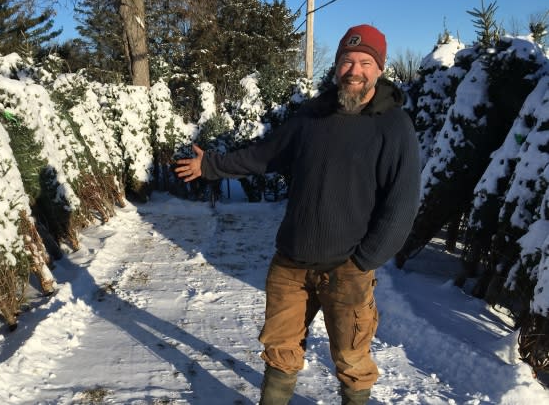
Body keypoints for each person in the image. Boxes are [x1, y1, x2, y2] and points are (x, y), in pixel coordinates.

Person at [175, 24, 420, 404]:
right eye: (347, 61)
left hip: (348, 269)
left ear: (380, 70)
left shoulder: (394, 127)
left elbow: (402, 203)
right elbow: (265, 154)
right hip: (291, 263)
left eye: (365, 62)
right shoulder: (311, 116)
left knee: (352, 357)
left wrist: (365, 260)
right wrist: (212, 166)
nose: (354, 70)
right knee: (280, 349)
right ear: (337, 67)